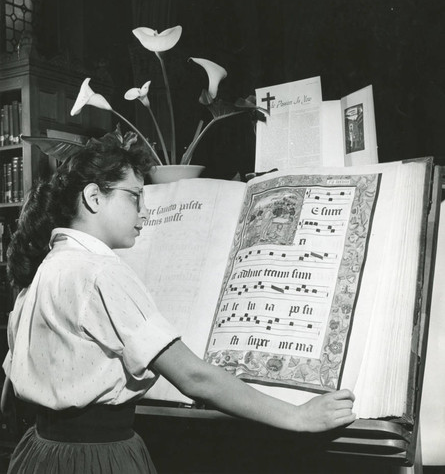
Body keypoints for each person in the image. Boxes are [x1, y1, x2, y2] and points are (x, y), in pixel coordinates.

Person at [2, 132, 355, 473]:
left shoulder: (43, 270)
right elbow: (193, 377)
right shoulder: (99, 272)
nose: (143, 212)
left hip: (40, 451)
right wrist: (299, 416)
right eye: (134, 196)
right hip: (97, 458)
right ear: (94, 197)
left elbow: (10, 392)